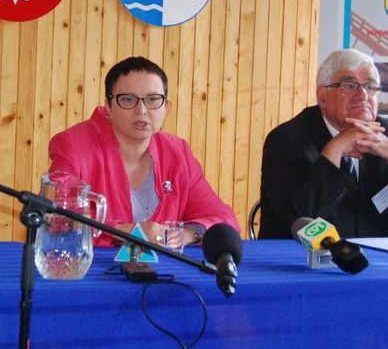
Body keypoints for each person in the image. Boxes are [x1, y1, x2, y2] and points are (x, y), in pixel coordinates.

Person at [48, 56, 240, 247]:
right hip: (92, 264)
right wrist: (126, 231)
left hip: (162, 265)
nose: (141, 110)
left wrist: (189, 234)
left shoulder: (177, 153)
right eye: (128, 99)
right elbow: (57, 218)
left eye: (153, 99)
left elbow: (224, 219)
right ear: (108, 107)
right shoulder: (74, 145)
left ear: (166, 107)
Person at [259, 48, 388, 239]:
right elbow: (298, 220)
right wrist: (335, 150)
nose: (362, 95)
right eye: (349, 85)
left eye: (370, 86)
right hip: (300, 255)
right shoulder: (286, 141)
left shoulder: (385, 133)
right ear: (323, 97)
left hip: (375, 255)